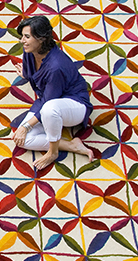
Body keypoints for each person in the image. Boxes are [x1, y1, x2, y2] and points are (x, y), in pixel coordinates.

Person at [11, 16, 95, 170]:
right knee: (22, 140)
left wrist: (26, 126)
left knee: (49, 110)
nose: (22, 41)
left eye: (27, 37)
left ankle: (53, 152)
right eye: (22, 36)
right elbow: (35, 78)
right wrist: (28, 75)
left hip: (74, 104)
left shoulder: (56, 66)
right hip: (49, 100)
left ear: (41, 39)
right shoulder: (30, 51)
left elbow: (49, 101)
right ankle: (71, 145)